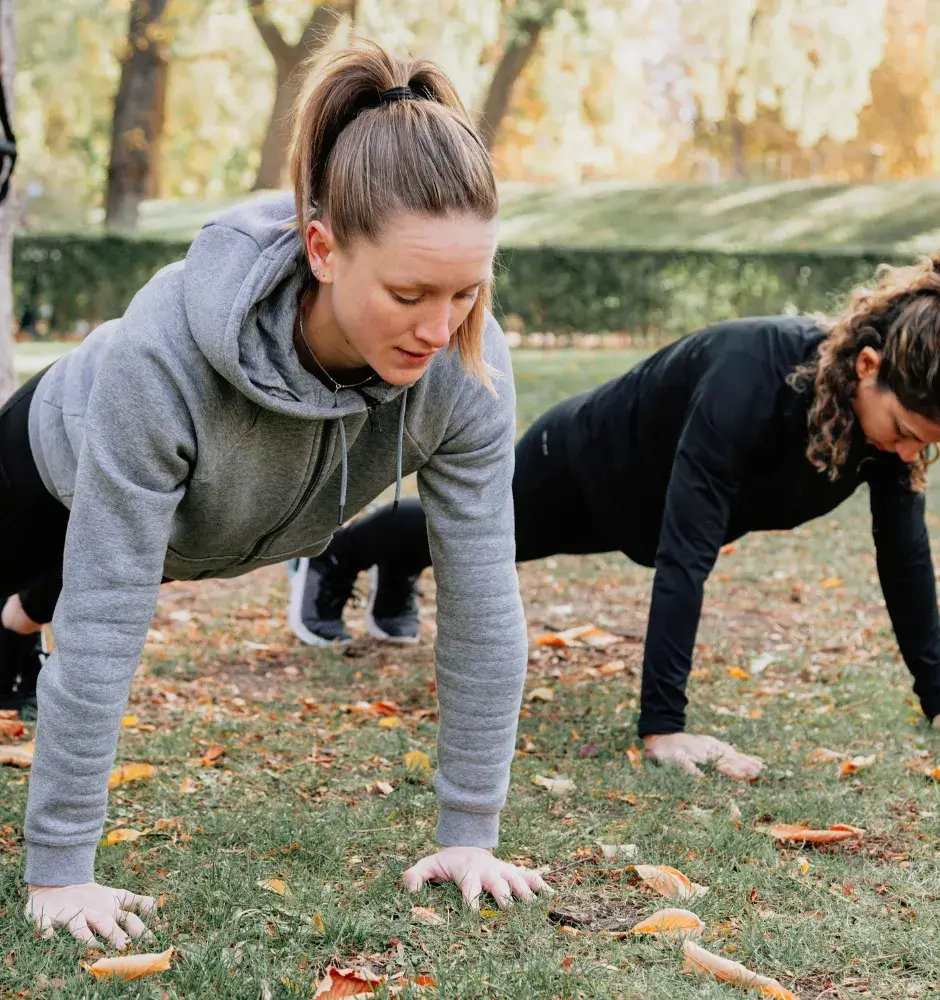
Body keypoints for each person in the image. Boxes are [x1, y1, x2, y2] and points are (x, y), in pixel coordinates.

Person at [3, 39, 549, 950]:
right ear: (323, 250)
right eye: (410, 291)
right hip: (40, 470)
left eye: (465, 290)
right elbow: (104, 615)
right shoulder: (161, 357)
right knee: (59, 589)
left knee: (40, 602)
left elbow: (487, 603)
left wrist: (470, 835)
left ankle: (15, 625)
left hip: (196, 529)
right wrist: (60, 867)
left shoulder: (465, 367)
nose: (439, 326)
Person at [287, 252, 940, 778]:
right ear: (869, 366)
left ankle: (397, 569)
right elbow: (688, 552)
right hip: (582, 460)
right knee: (482, 537)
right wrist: (664, 727)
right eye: (906, 430)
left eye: (926, 445)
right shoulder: (751, 376)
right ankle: (338, 555)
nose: (909, 452)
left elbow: (902, 556)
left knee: (475, 542)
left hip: (647, 518)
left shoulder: (883, 436)